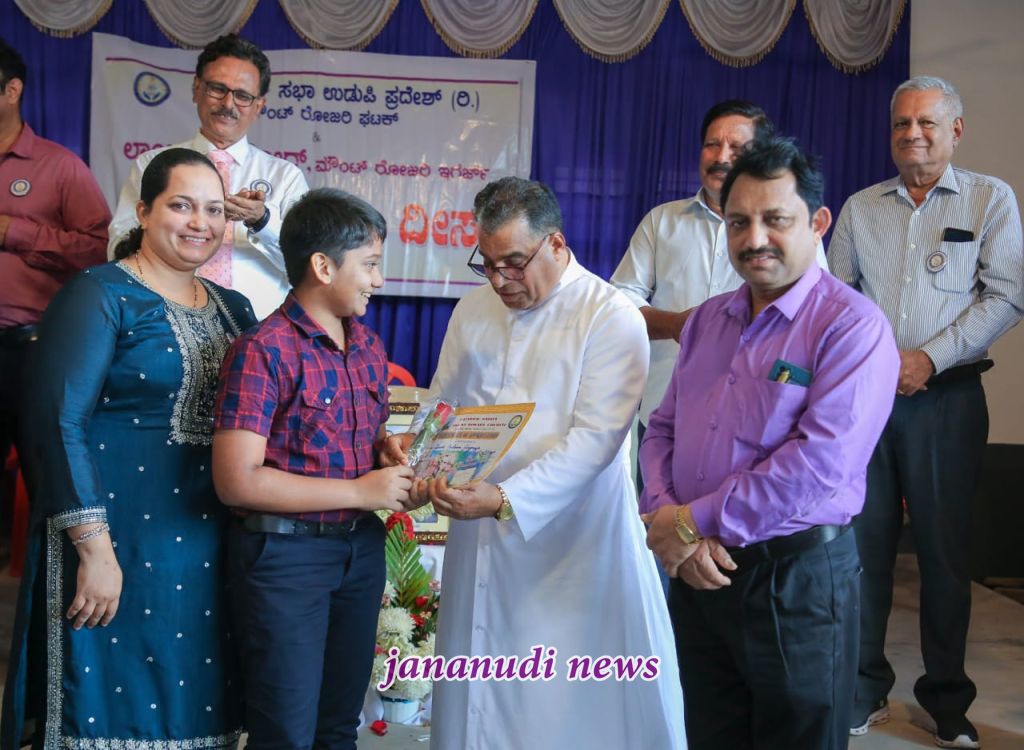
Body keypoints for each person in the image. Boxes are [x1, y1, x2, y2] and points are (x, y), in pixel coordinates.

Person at [386, 177, 686, 749]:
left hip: (572, 541)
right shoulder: (473, 308)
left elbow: (596, 440)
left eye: (514, 263)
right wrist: (416, 450)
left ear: (556, 244)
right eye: (488, 263)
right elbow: (443, 403)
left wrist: (507, 499)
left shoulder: (609, 314)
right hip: (478, 531)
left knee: (561, 700)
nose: (500, 280)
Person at [640, 137, 899, 750]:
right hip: (698, 576)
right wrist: (667, 516)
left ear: (818, 223)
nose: (754, 238)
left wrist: (690, 522)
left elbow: (819, 463)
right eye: (738, 222)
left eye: (775, 219)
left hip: (796, 583)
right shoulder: (708, 320)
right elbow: (664, 428)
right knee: (706, 732)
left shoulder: (852, 326)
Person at [0, 147, 256, 750]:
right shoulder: (100, 294)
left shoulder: (235, 309)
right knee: (108, 710)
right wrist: (94, 548)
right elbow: (57, 422)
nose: (200, 223)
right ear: (143, 211)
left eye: (214, 210)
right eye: (182, 206)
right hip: (112, 540)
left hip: (208, 541)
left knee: (202, 706)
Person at [829, 76, 1024, 749]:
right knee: (863, 551)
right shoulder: (860, 208)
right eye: (901, 124)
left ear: (956, 131)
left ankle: (947, 701)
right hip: (867, 403)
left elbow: (1006, 296)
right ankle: (863, 689)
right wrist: (875, 364)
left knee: (944, 555)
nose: (912, 134)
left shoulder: (990, 199)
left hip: (949, 401)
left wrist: (929, 359)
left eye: (927, 123)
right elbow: (835, 297)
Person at [212, 188, 416, 750]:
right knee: (286, 733)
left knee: (338, 728)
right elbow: (236, 480)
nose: (378, 280)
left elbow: (364, 440)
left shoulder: (367, 345)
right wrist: (360, 490)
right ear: (323, 266)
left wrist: (385, 451)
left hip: (359, 552)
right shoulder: (263, 349)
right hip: (285, 558)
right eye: (369, 265)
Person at [611, 100, 829, 439]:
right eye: (712, 144)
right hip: (665, 414)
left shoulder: (792, 230)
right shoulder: (662, 221)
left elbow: (813, 308)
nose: (721, 157)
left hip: (757, 419)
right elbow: (618, 303)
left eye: (737, 148)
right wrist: (675, 324)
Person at [108, 34, 309, 320]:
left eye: (243, 96)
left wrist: (262, 221)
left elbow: (305, 266)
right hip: (164, 323)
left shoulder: (285, 177)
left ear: (259, 106)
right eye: (217, 89)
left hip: (259, 332)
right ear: (196, 89)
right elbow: (118, 250)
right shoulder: (151, 165)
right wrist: (170, 219)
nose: (228, 104)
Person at [0, 37, 110, 555]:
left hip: (30, 350)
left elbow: (98, 250)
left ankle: (50, 597)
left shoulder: (59, 167)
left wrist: (14, 231)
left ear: (12, 90)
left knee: (48, 485)